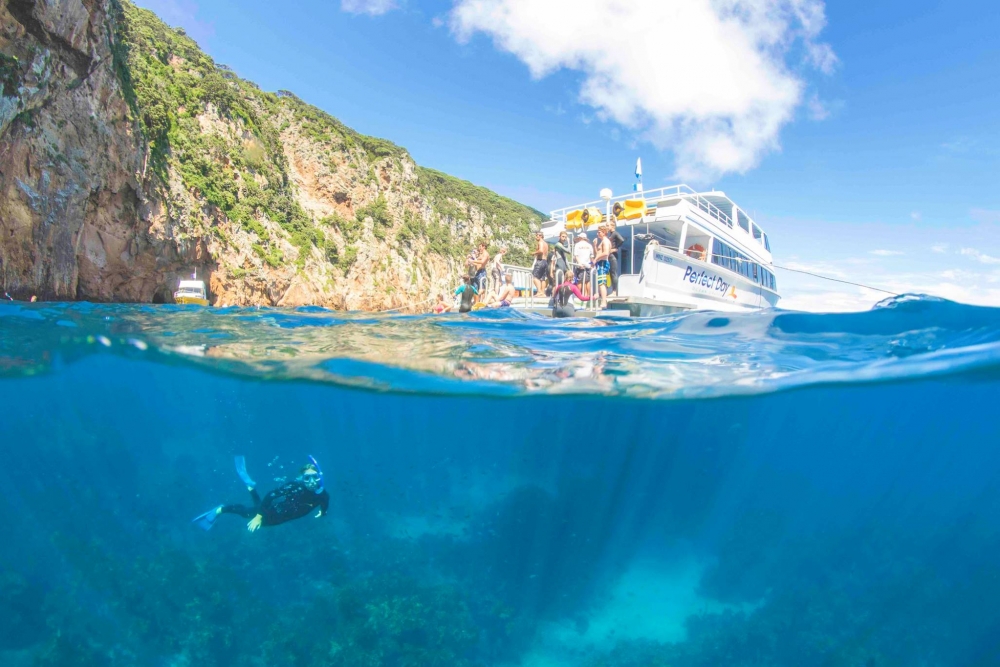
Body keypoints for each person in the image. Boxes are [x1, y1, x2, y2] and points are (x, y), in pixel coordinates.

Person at [192, 456, 330, 532]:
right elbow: (271, 495)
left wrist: (323, 513)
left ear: (319, 477)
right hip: (273, 513)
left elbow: (325, 502)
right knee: (248, 513)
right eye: (307, 478)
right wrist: (259, 516)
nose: (312, 481)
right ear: (302, 479)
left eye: (314, 477)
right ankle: (220, 509)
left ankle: (250, 487)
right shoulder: (295, 487)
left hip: (282, 518)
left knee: (257, 506)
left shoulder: (322, 494)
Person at [593, 226, 611, 309]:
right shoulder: (602, 241)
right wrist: (595, 246)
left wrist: (596, 259)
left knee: (602, 283)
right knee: (600, 282)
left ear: (604, 232)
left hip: (603, 263)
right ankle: (602, 299)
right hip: (601, 263)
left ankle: (604, 301)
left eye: (599, 232)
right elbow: (598, 253)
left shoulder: (605, 241)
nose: (597, 233)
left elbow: (606, 253)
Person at [573, 232, 594, 299]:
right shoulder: (589, 245)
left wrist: (579, 263)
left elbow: (576, 255)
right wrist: (591, 264)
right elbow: (592, 256)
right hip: (587, 265)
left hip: (580, 265)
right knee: (587, 281)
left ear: (580, 238)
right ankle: (588, 295)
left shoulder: (577, 245)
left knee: (579, 281)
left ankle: (578, 296)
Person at [607, 218, 625, 295]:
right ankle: (612, 290)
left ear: (612, 226)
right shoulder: (610, 234)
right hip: (610, 255)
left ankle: (614, 291)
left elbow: (621, 240)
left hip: (613, 256)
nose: (606, 227)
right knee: (610, 273)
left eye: (608, 225)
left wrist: (615, 248)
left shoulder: (614, 233)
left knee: (613, 273)